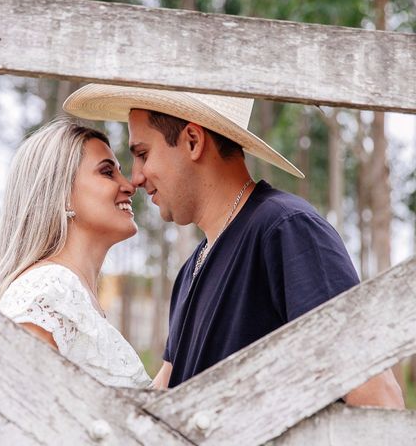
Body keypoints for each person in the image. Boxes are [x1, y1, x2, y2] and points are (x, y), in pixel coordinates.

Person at [63, 84, 404, 407]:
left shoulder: (286, 229)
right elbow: (162, 405)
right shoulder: (189, 271)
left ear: (193, 141)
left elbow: (375, 396)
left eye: (142, 153)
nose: (135, 177)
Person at [0, 117, 151, 388]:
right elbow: (14, 400)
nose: (129, 185)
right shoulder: (49, 288)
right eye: (107, 172)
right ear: (61, 193)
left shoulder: (73, 295)